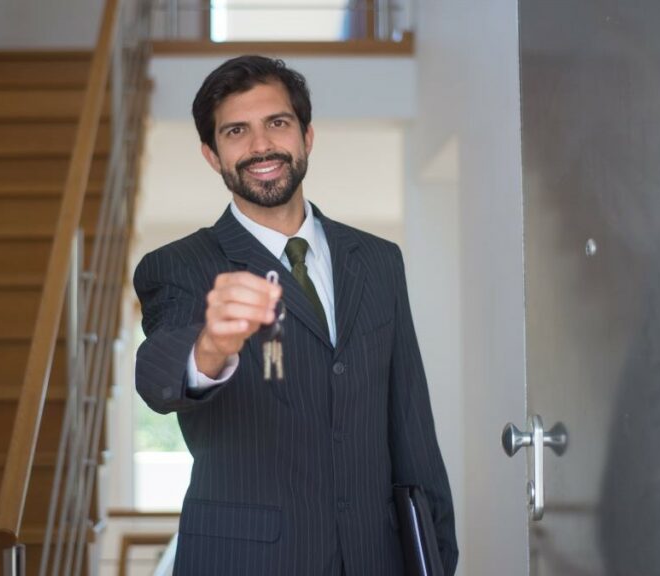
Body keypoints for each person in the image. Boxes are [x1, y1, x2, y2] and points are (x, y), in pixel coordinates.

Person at [133, 55, 457, 576]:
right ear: (211, 155)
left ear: (307, 136)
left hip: (378, 558)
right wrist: (211, 345)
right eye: (236, 131)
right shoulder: (178, 266)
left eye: (276, 124)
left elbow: (410, 421)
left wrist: (436, 555)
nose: (260, 146)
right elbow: (156, 375)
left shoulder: (378, 260)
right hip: (246, 562)